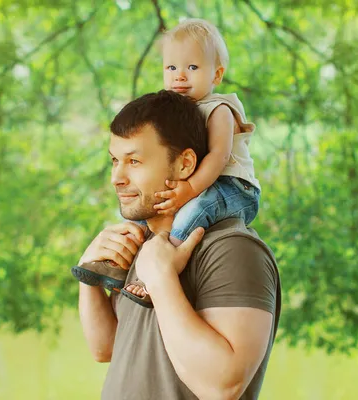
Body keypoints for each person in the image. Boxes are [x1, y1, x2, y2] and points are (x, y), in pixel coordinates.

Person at [76, 90, 281, 399]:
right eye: (115, 161)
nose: (116, 177)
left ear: (185, 164)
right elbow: (107, 348)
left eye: (134, 161)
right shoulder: (146, 245)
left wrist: (160, 279)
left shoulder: (233, 250)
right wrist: (89, 275)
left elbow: (223, 386)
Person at [72, 18, 262, 308]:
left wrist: (189, 188)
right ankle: (116, 264)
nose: (180, 77)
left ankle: (165, 264)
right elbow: (104, 350)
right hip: (202, 183)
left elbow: (218, 157)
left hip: (232, 187)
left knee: (194, 212)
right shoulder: (183, 111)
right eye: (171, 68)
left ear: (217, 74)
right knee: (136, 217)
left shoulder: (218, 109)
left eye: (192, 68)